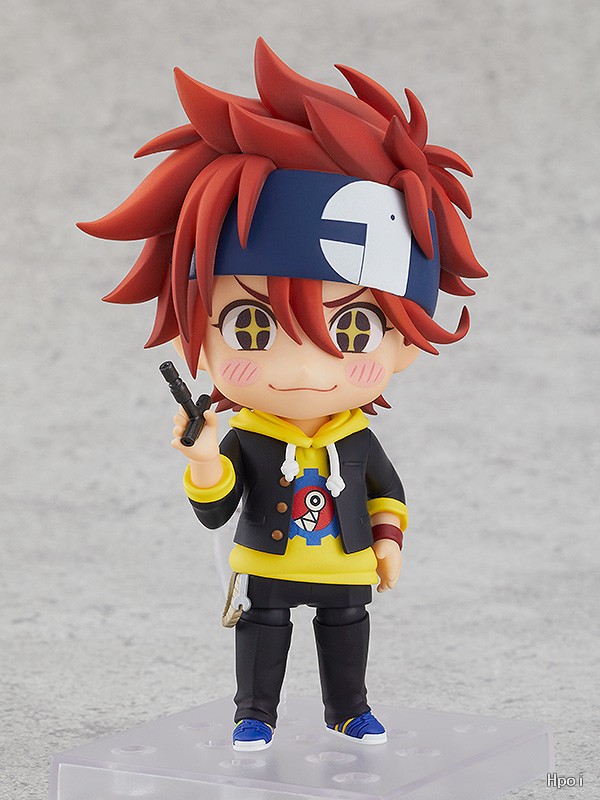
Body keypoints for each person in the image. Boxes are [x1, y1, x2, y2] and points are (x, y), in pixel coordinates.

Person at [78, 38, 486, 751]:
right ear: (198, 333)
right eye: (250, 325)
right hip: (266, 561)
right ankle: (255, 713)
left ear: (404, 343)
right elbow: (217, 508)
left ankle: (348, 708)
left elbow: (387, 492)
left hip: (345, 563)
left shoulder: (356, 440)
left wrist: (388, 542)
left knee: (346, 628)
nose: (302, 365)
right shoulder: (251, 436)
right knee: (263, 630)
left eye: (353, 329)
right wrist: (205, 459)